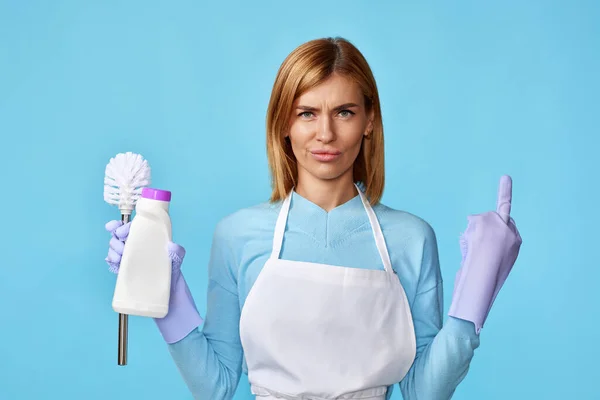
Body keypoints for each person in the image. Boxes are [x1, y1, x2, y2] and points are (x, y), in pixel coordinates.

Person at [104, 37, 522, 400]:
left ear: (369, 121)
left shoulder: (411, 238)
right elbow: (214, 387)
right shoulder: (237, 235)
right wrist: (165, 293)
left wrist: (473, 299)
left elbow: (423, 392)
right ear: (284, 123)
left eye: (344, 112)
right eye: (307, 113)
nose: (325, 133)